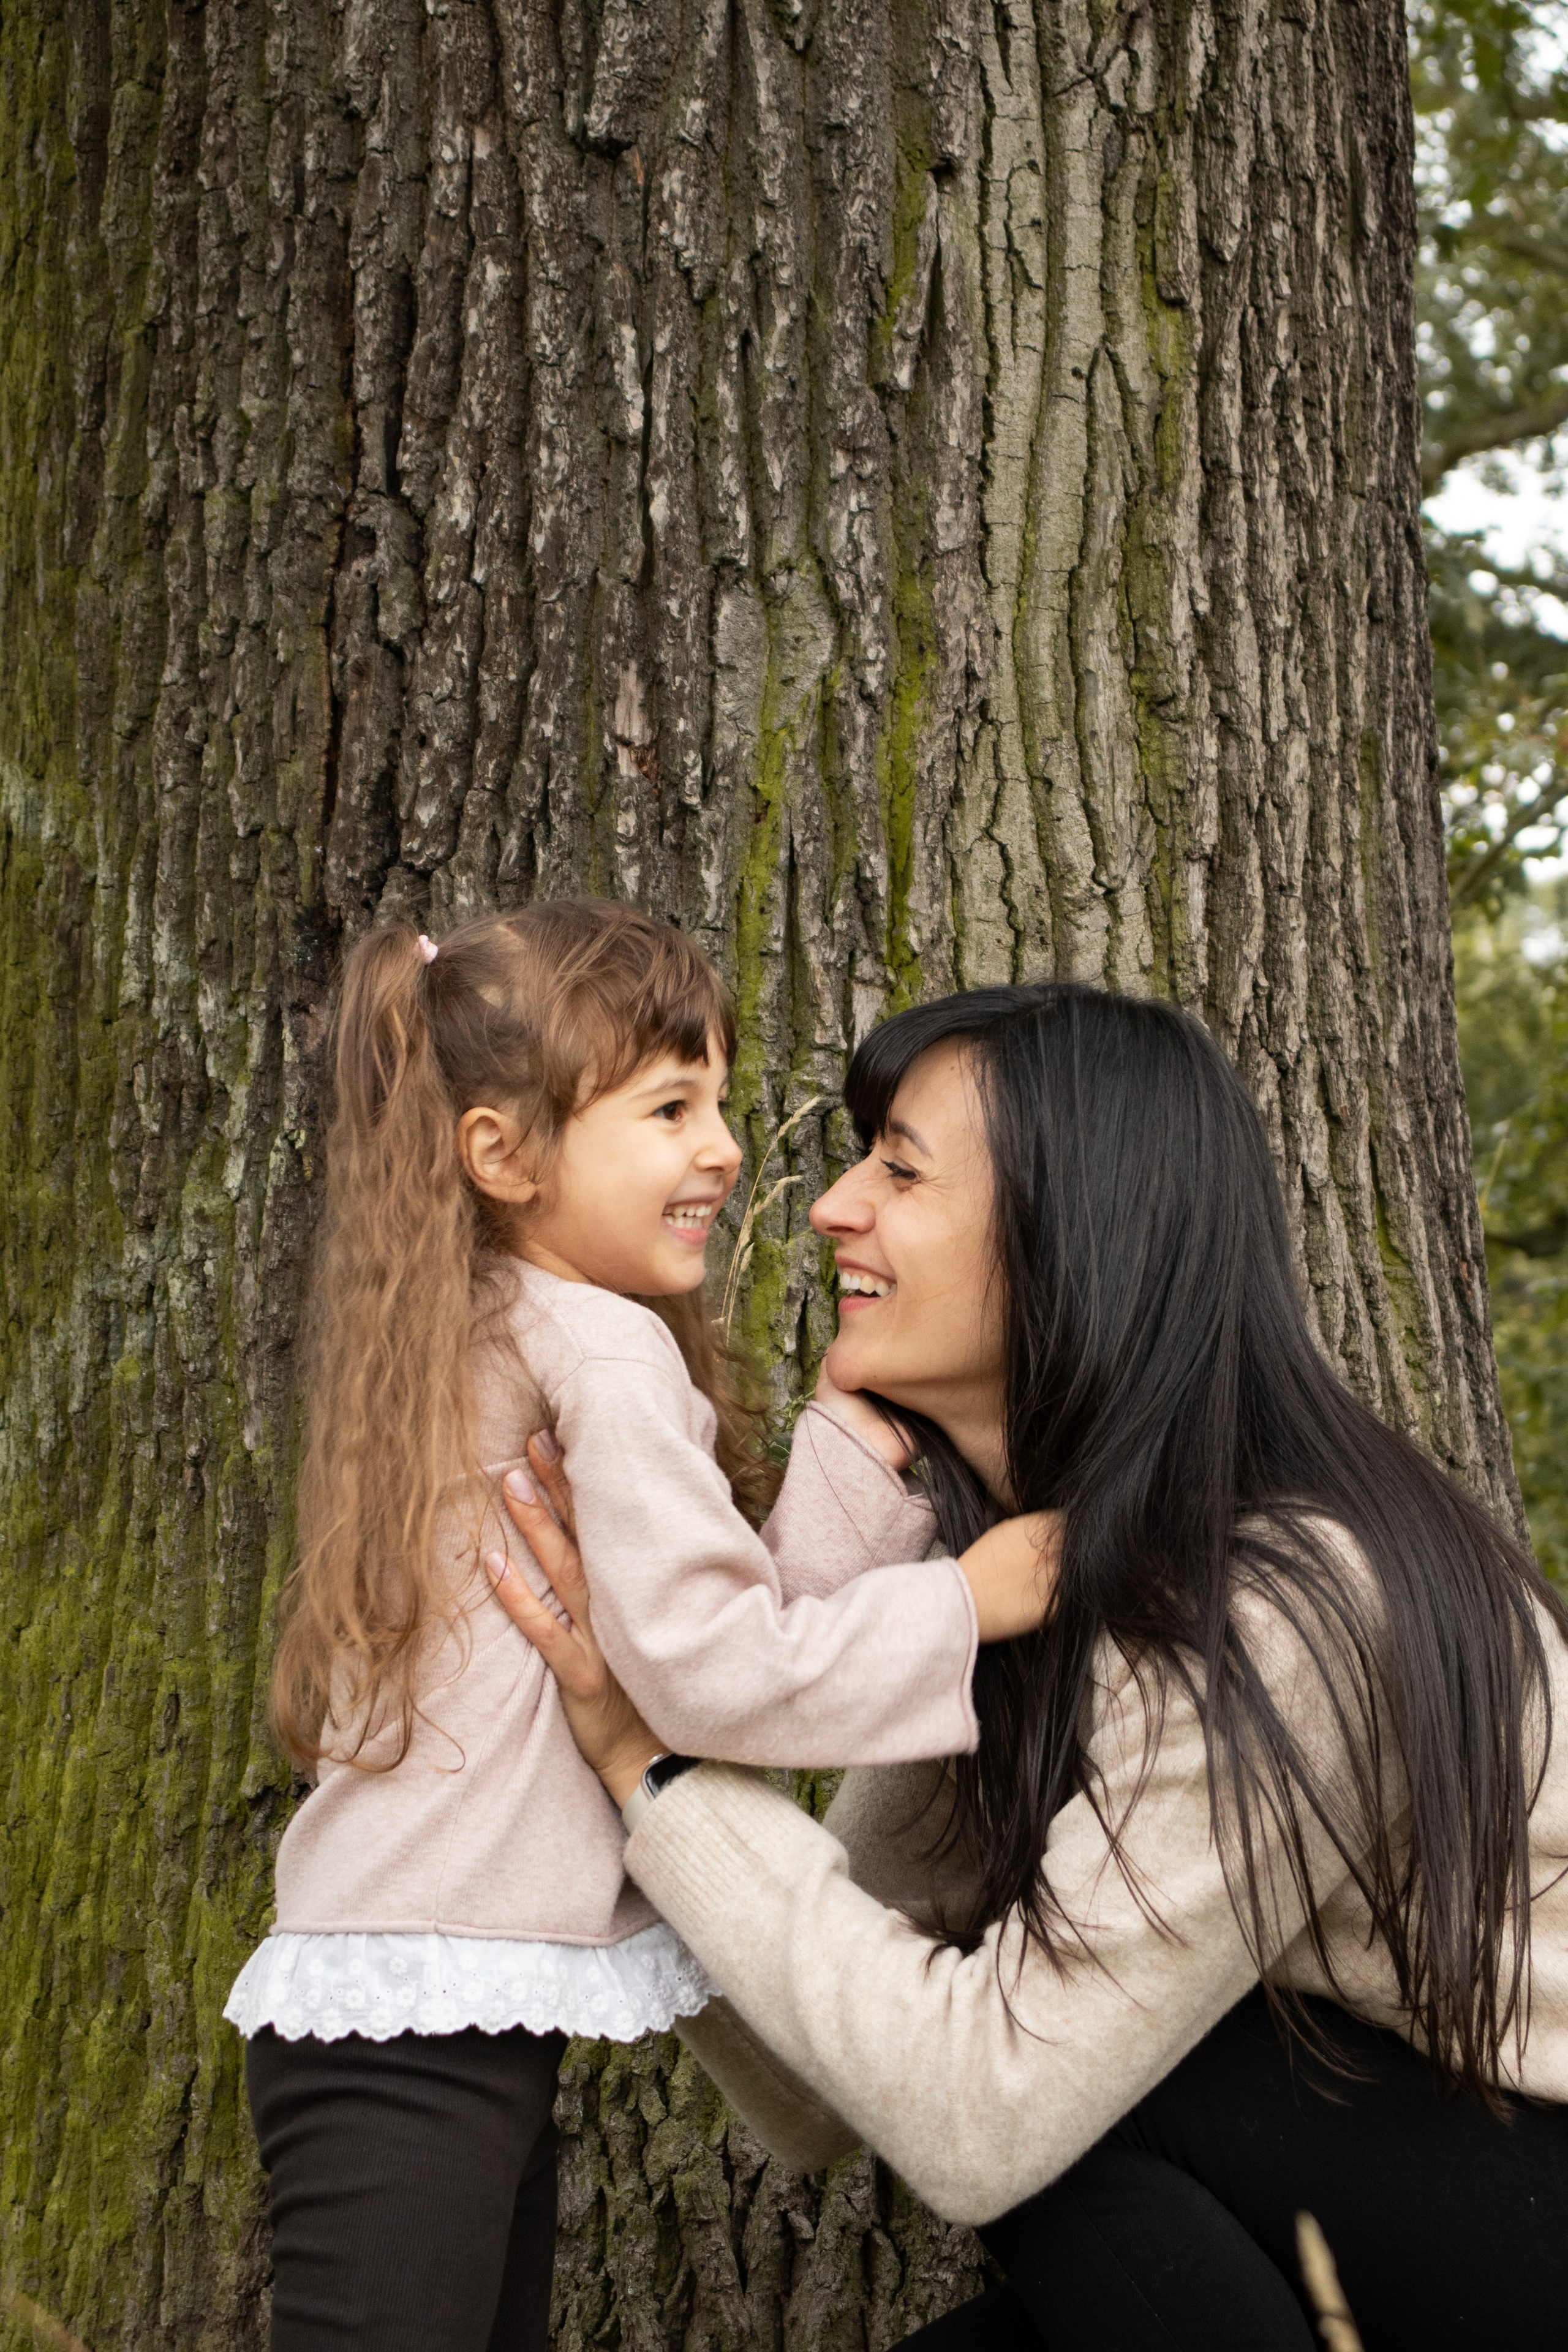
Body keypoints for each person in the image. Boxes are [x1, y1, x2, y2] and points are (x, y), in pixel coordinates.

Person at [489, 980, 1568, 2351]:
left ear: (1071, 1239)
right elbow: (821, 2089)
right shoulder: (1010, 1587)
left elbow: (974, 2111)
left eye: (897, 1168)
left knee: (1067, 2078)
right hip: (1330, 2232)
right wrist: (651, 1734)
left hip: (1519, 2211)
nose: (828, 1208)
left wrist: (655, 1773)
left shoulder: (1276, 1603)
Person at [225, 904, 1050, 2352]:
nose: (724, 1148)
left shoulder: (482, 1317)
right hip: (422, 2020)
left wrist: (852, 1470)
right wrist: (963, 1604)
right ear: (502, 1153)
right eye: (671, 1107)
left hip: (423, 2005)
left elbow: (687, 1643)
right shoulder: (595, 1343)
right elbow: (721, 1678)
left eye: (717, 1100)